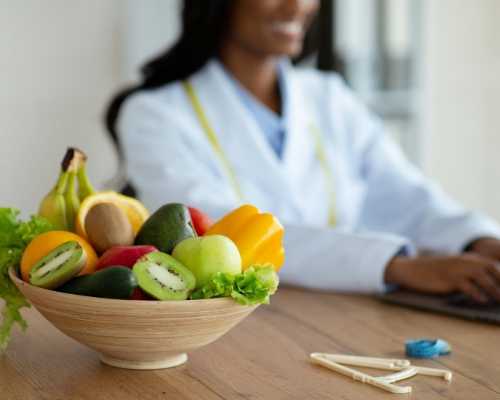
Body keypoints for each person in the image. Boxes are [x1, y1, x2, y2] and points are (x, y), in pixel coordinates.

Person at [106, 0, 500, 303]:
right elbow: (218, 234)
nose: (298, 5)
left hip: (349, 313)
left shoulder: (330, 97)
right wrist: (398, 267)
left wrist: (479, 240)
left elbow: (404, 192)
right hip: (240, 331)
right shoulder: (154, 114)